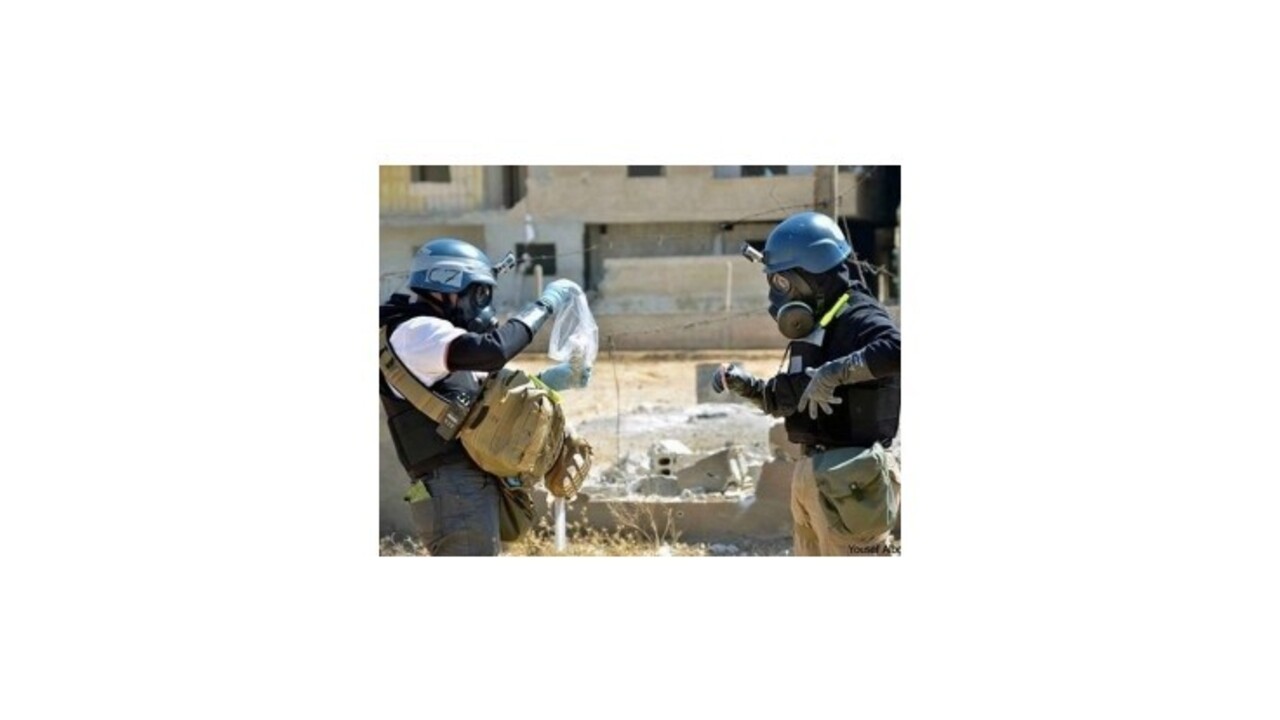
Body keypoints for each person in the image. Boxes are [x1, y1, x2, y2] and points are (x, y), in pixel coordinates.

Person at [379, 238, 589, 556]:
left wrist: (548, 381)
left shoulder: (434, 339)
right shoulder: (415, 331)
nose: (481, 305)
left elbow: (486, 398)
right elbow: (493, 351)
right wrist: (546, 305)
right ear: (446, 283)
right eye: (478, 293)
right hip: (453, 490)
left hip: (462, 489)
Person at [713, 212, 901, 555]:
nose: (777, 295)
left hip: (853, 479)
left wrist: (835, 373)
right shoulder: (817, 326)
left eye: (781, 282)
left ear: (812, 275)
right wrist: (752, 389)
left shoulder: (859, 316)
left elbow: (897, 350)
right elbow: (798, 393)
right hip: (813, 477)